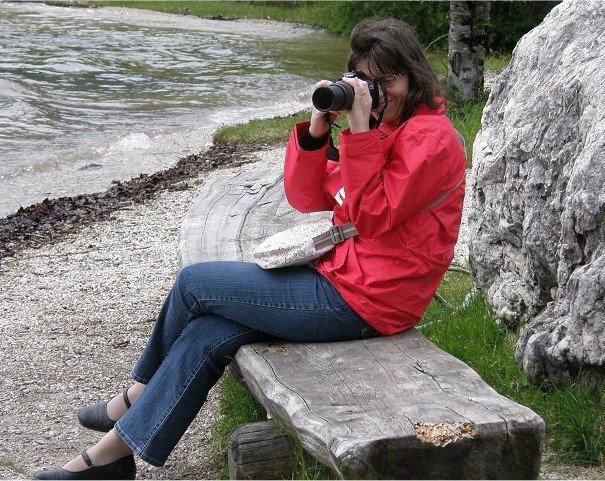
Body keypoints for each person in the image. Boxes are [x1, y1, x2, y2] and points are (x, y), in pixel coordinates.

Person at [32, 17, 466, 480]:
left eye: (388, 79)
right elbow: (307, 197)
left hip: (373, 299)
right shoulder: (381, 126)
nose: (379, 92)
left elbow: (371, 217)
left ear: (412, 76)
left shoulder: (429, 140)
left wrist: (359, 133)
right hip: (345, 276)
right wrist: (319, 133)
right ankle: (112, 457)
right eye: (367, 80)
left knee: (194, 283)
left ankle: (134, 398)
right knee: (206, 333)